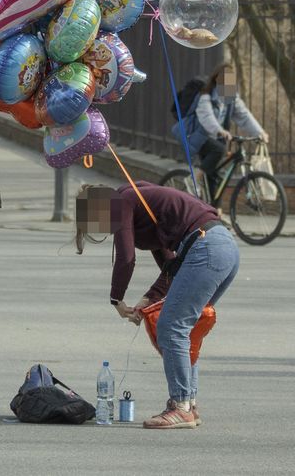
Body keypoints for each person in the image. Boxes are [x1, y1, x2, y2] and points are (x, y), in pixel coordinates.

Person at [76, 181, 240, 429]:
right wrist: (149, 298)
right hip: (224, 245)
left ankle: (180, 406)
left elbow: (126, 258)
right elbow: (169, 265)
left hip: (206, 247)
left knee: (171, 327)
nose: (107, 230)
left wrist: (116, 299)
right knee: (185, 328)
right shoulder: (140, 201)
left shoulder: (122, 203)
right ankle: (189, 404)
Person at [193, 63, 268, 208]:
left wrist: (260, 132)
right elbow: (207, 118)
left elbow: (244, 117)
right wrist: (219, 130)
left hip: (216, 139)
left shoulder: (231, 98)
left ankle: (216, 213)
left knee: (216, 176)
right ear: (217, 81)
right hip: (199, 137)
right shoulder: (205, 97)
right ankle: (194, 178)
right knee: (219, 151)